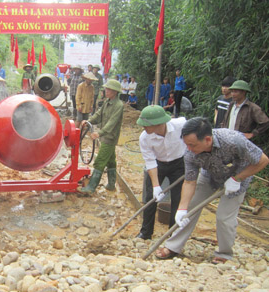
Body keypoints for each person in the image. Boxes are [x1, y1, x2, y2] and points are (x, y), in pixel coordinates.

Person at [155, 117, 269, 263]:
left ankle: (224, 253)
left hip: (237, 179)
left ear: (207, 140)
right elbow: (190, 182)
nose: (189, 149)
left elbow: (263, 160)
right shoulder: (190, 153)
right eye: (186, 144)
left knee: (224, 217)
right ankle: (173, 246)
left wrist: (237, 179)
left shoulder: (234, 141)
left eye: (192, 145)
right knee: (190, 209)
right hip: (210, 176)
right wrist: (182, 209)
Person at [135, 106, 186, 239]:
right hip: (158, 164)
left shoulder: (180, 126)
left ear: (158, 123)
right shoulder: (144, 138)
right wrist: (157, 186)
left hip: (179, 164)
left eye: (146, 125)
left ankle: (173, 234)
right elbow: (150, 162)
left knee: (178, 198)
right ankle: (146, 232)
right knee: (150, 198)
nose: (144, 128)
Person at [78, 79, 124, 194]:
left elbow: (112, 123)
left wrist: (99, 133)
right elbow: (98, 115)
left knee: (100, 161)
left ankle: (91, 188)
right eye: (106, 89)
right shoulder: (107, 102)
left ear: (114, 91)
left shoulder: (118, 105)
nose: (105, 90)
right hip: (105, 137)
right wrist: (88, 122)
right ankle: (111, 185)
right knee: (111, 161)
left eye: (108, 89)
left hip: (110, 137)